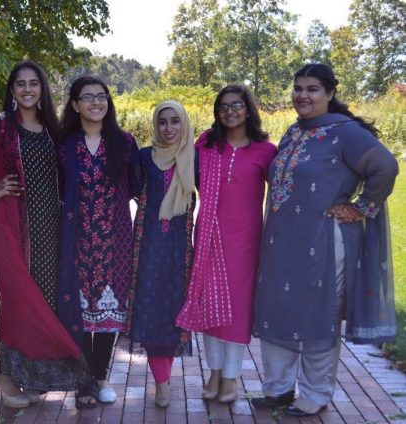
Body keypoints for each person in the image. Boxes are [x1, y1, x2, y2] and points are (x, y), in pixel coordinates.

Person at [252, 63, 398, 417]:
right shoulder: (292, 132)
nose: (303, 95)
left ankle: (315, 394)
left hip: (323, 238)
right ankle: (278, 389)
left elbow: (386, 167)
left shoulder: (346, 133)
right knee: (278, 309)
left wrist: (361, 207)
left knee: (319, 313)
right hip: (282, 241)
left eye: (312, 89)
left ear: (330, 93)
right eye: (298, 88)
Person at [0, 61, 88, 408]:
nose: (27, 89)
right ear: (12, 90)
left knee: (44, 301)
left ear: (42, 89)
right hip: (11, 226)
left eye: (33, 84)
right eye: (20, 84)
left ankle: (33, 377)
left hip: (51, 229)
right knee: (16, 301)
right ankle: (6, 378)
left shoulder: (53, 129)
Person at [176, 84, 277, 403]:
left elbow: (285, 191)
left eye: (236, 105)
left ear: (248, 108)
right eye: (223, 106)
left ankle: (231, 376)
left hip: (245, 242)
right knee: (208, 307)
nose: (230, 111)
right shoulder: (206, 144)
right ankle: (214, 372)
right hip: (208, 236)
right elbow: (185, 179)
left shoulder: (265, 150)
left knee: (236, 309)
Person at [57, 75, 141, 408]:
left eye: (101, 96)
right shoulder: (64, 145)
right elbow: (57, 189)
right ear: (75, 104)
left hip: (115, 241)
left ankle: (100, 378)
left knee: (108, 313)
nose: (96, 102)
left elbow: (137, 186)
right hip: (76, 240)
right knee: (77, 311)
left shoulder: (124, 142)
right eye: (87, 97)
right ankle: (82, 381)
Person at [127, 100, 195, 408]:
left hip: (180, 249)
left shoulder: (195, 157)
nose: (168, 129)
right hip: (150, 246)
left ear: (184, 124)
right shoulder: (144, 157)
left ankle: (165, 379)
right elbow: (123, 188)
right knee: (151, 307)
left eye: (175, 122)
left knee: (173, 309)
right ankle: (162, 384)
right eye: (163, 122)